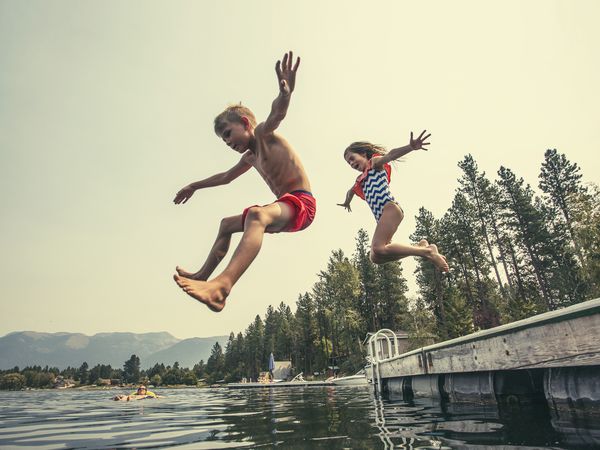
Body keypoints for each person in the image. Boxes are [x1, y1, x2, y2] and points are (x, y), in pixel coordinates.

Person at [173, 51, 315, 312]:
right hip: (284, 205)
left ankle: (222, 287)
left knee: (256, 216)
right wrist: (194, 185)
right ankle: (203, 276)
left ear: (246, 123)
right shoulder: (250, 157)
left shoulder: (263, 134)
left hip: (301, 204)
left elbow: (277, 114)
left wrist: (286, 93)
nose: (228, 142)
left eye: (229, 134)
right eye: (224, 141)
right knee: (226, 225)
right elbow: (225, 177)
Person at [337, 131, 449, 272]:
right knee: (376, 257)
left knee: (378, 248)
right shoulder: (360, 181)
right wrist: (347, 201)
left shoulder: (374, 164)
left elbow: (390, 155)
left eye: (353, 158)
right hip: (382, 216)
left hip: (389, 208)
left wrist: (410, 147)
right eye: (349, 163)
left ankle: (428, 252)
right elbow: (351, 191)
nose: (352, 163)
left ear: (364, 154)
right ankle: (421, 249)